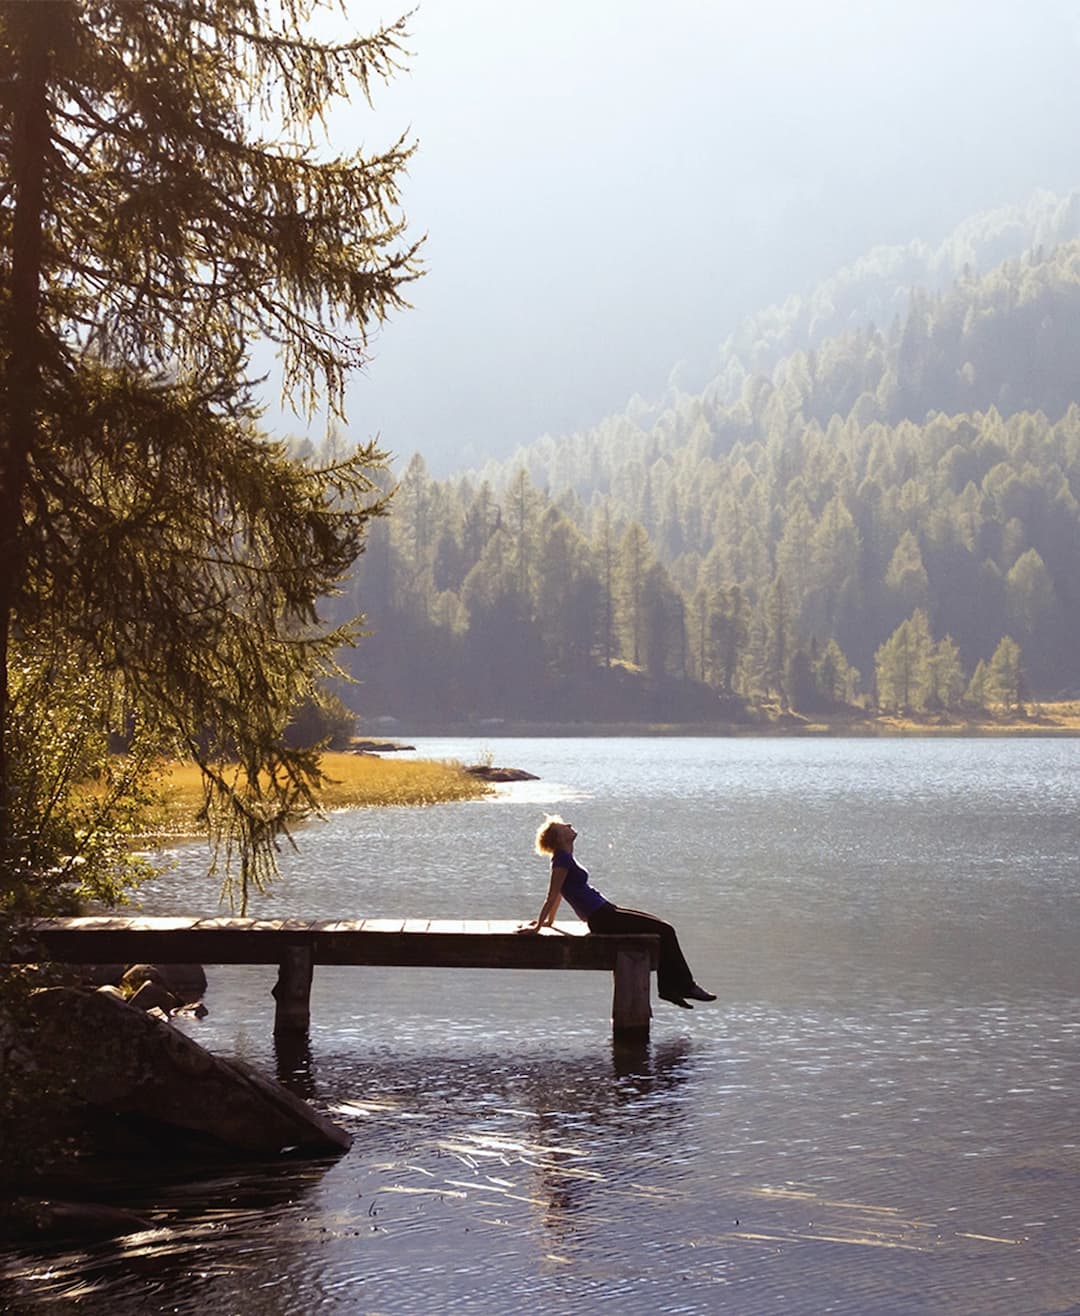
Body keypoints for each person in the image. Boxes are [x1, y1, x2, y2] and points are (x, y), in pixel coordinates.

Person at [519, 815, 716, 1009]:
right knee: (665, 930)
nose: (569, 825)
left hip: (606, 912)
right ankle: (684, 986)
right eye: (564, 826)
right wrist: (538, 926)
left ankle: (670, 988)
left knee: (663, 929)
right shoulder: (561, 858)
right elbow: (552, 894)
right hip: (602, 918)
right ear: (558, 837)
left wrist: (549, 922)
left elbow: (561, 893)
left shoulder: (566, 856)